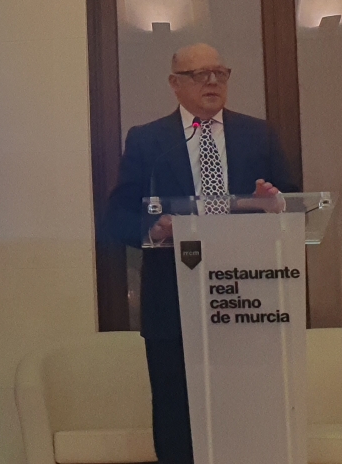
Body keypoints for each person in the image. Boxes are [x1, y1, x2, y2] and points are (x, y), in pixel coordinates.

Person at [104, 43, 298, 464]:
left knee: (245, 418)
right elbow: (117, 216)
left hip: (246, 299)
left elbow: (293, 203)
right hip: (173, 303)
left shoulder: (259, 135)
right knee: (177, 420)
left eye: (220, 73)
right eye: (199, 75)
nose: (212, 82)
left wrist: (275, 205)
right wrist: (153, 229)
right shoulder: (148, 140)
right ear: (175, 84)